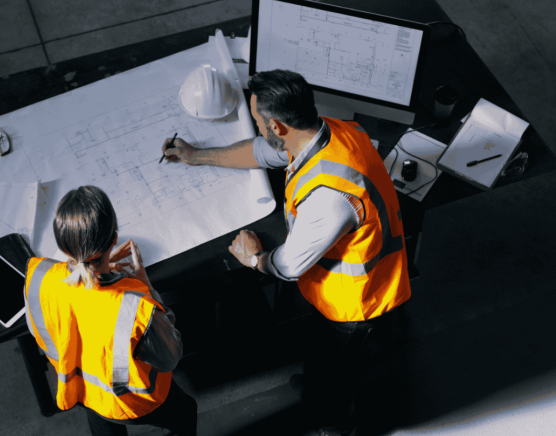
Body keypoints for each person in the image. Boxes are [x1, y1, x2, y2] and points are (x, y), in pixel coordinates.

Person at [162, 69, 411, 436]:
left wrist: (253, 258)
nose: (258, 129)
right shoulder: (329, 132)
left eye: (259, 122)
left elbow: (289, 265)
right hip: (341, 293)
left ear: (278, 126)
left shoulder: (331, 198)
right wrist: (197, 156)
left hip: (357, 306)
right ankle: (318, 390)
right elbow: (263, 152)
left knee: (335, 377)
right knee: (320, 359)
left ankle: (336, 425)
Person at [23, 186, 197, 436]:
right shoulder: (136, 308)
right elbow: (170, 357)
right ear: (114, 239)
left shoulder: (39, 276)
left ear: (63, 246)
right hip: (131, 404)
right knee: (185, 412)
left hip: (82, 392)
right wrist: (145, 286)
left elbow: (47, 324)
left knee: (105, 429)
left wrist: (93, 273)